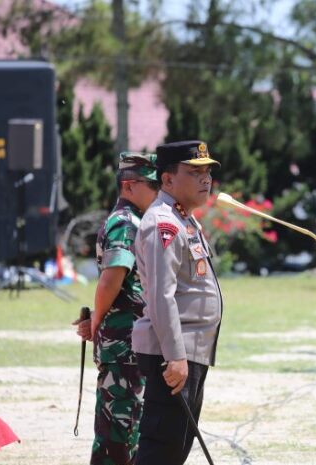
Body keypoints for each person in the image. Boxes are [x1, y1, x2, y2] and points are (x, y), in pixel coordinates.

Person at [132, 140, 223, 465]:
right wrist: (175, 356)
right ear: (167, 179)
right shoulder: (164, 224)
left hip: (187, 351)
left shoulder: (182, 219)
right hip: (172, 355)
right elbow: (161, 295)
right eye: (194, 172)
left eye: (208, 171)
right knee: (161, 451)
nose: (205, 179)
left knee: (174, 449)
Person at [74, 152, 159, 465]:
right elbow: (111, 279)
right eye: (153, 185)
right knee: (122, 433)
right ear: (130, 185)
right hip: (124, 345)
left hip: (125, 343)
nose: (159, 192)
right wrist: (96, 321)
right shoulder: (125, 224)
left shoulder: (133, 221)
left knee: (116, 431)